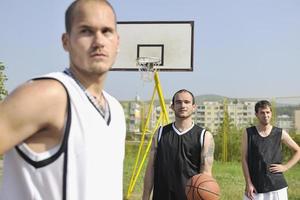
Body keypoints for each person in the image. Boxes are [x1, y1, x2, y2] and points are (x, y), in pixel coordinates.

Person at [0, 0, 126, 199]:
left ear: (117, 42)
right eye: (86, 31)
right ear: (66, 41)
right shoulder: (48, 94)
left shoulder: (116, 110)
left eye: (106, 31)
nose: (99, 41)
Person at [142, 89, 215, 200]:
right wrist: (145, 196)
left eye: (187, 102)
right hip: (162, 196)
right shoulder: (160, 133)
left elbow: (206, 173)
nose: (182, 105)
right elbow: (151, 168)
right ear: (172, 106)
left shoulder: (205, 136)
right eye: (178, 102)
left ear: (194, 107)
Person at [241, 100, 300, 200]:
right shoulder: (248, 133)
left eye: (268, 112)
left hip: (276, 186)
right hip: (255, 187)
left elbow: (298, 151)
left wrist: (286, 167)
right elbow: (244, 159)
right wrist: (248, 183)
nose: (265, 115)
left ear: (271, 113)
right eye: (262, 112)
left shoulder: (279, 132)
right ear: (256, 114)